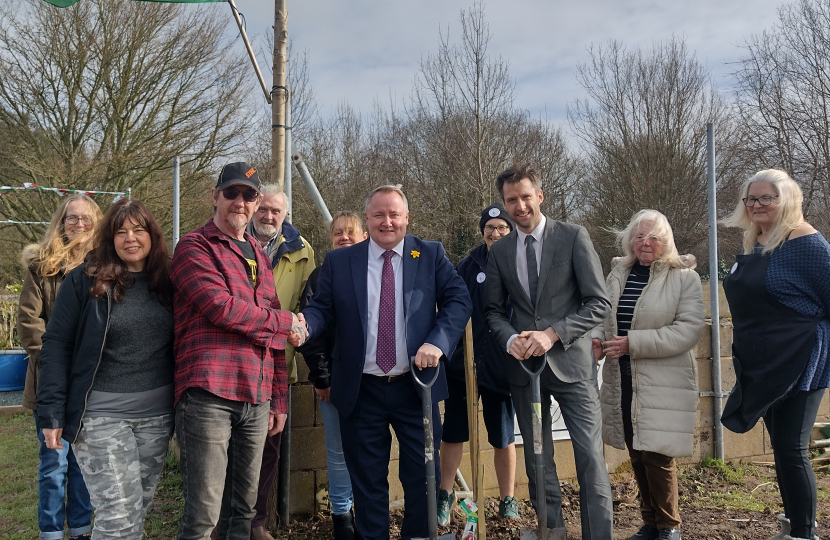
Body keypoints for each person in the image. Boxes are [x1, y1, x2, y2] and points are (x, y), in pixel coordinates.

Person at [300, 185, 472, 540]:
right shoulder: (340, 261)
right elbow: (321, 311)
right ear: (367, 219)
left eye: (395, 214)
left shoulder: (430, 254)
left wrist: (437, 343)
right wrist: (304, 326)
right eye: (379, 215)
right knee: (368, 485)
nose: (387, 222)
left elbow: (458, 300)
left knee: (423, 478)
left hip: (416, 390)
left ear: (407, 217)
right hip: (361, 392)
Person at [171, 162, 306, 540]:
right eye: (232, 193)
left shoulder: (260, 254)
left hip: (257, 396)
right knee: (204, 514)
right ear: (215, 197)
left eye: (249, 195)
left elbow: (271, 330)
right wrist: (286, 322)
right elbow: (221, 307)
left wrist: (278, 398)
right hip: (209, 393)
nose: (240, 202)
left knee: (243, 513)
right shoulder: (193, 247)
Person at [484, 162, 613, 540]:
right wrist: (510, 340)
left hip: (573, 367)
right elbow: (493, 310)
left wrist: (553, 334)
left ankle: (598, 535)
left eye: (526, 197)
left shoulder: (573, 237)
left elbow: (598, 303)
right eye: (512, 200)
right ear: (504, 204)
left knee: (590, 457)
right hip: (526, 372)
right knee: (538, 459)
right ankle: (550, 531)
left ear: (540, 195)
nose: (520, 206)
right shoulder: (501, 251)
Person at [37, 198, 175, 539]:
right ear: (109, 238)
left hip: (156, 417)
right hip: (101, 417)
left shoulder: (169, 281)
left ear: (152, 235)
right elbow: (56, 347)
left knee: (136, 511)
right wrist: (51, 413)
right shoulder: (84, 282)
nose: (131, 238)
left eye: (139, 230)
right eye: (121, 231)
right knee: (118, 518)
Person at [721, 169, 830, 540]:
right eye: (751, 199)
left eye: (766, 198)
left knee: (792, 447)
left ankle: (803, 534)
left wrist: (815, 346)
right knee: (782, 450)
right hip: (766, 364)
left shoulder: (807, 243)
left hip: (802, 361)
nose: (757, 205)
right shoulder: (757, 241)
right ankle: (792, 527)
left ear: (788, 201)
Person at [592, 210, 704, 540]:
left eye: (654, 237)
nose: (646, 243)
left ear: (666, 242)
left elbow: (688, 330)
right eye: (640, 236)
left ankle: (670, 527)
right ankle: (650, 522)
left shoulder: (684, 277)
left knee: (657, 454)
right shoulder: (618, 274)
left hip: (662, 379)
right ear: (629, 240)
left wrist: (633, 344)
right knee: (636, 450)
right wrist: (598, 339)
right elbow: (603, 315)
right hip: (623, 376)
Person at [18, 194, 101, 540]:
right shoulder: (42, 268)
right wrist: (56, 361)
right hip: (50, 383)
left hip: (91, 386)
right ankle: (50, 532)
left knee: (82, 464)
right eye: (71, 218)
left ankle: (80, 529)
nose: (78, 224)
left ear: (96, 223)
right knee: (54, 465)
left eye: (85, 218)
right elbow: (28, 322)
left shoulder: (106, 268)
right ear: (61, 223)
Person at [438, 201, 519, 525]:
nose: (495, 233)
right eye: (490, 229)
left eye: (502, 228)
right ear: (483, 232)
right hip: (464, 366)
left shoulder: (521, 263)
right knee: (454, 433)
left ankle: (507, 499)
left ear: (510, 231)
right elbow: (452, 306)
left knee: (503, 436)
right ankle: (446, 496)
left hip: (501, 367)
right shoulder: (469, 265)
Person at [246, 183, 315, 540]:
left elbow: (308, 305)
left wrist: (299, 329)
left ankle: (257, 522)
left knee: (268, 451)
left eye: (276, 211)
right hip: (236, 361)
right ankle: (219, 524)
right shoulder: (232, 242)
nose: (269, 216)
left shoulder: (303, 250)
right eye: (264, 209)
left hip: (277, 365)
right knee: (227, 451)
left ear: (285, 214)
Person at [296, 211, 367, 539]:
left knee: (369, 450)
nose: (344, 238)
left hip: (375, 383)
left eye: (350, 233)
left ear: (364, 235)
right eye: (338, 233)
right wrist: (322, 378)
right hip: (335, 383)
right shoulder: (321, 276)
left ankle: (368, 514)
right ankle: (343, 519)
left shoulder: (380, 272)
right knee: (338, 453)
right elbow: (311, 333)